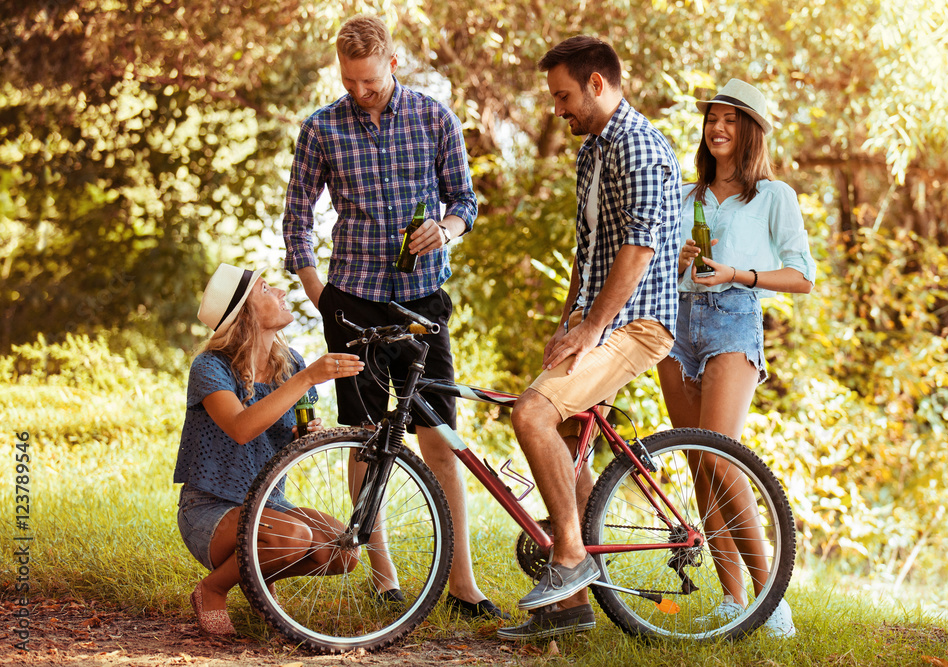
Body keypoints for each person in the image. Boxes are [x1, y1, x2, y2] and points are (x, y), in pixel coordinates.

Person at [280, 16, 505, 619]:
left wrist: (447, 229)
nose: (360, 93)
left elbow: (465, 201)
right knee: (365, 436)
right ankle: (385, 578)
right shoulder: (321, 128)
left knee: (438, 437)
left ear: (394, 63)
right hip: (350, 302)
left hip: (422, 304)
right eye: (350, 82)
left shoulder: (435, 118)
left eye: (371, 82)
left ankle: (464, 586)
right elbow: (296, 221)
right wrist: (319, 294)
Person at [499, 36, 682, 640]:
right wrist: (567, 323)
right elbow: (589, 250)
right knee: (568, 435)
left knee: (531, 414)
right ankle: (570, 610)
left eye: (564, 96)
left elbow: (639, 248)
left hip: (638, 322)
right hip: (598, 320)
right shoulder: (592, 153)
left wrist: (593, 327)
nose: (558, 110)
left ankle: (572, 558)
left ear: (597, 83)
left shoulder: (641, 147)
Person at [656, 78, 816, 639]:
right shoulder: (684, 195)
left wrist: (737, 274)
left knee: (722, 457)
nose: (717, 127)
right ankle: (732, 599)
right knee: (697, 460)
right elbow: (655, 271)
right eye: (711, 119)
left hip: (733, 316)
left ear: (750, 130)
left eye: (730, 119)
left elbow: (802, 277)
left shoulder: (774, 196)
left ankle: (771, 599)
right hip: (676, 324)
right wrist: (679, 260)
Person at [174, 263, 365, 636]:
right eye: (265, 288)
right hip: (212, 510)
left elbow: (285, 436)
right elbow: (241, 428)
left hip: (269, 506)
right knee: (294, 537)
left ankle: (255, 576)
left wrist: (302, 434)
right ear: (244, 312)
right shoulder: (210, 367)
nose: (279, 291)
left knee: (344, 550)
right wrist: (308, 377)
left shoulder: (289, 362)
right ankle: (212, 589)